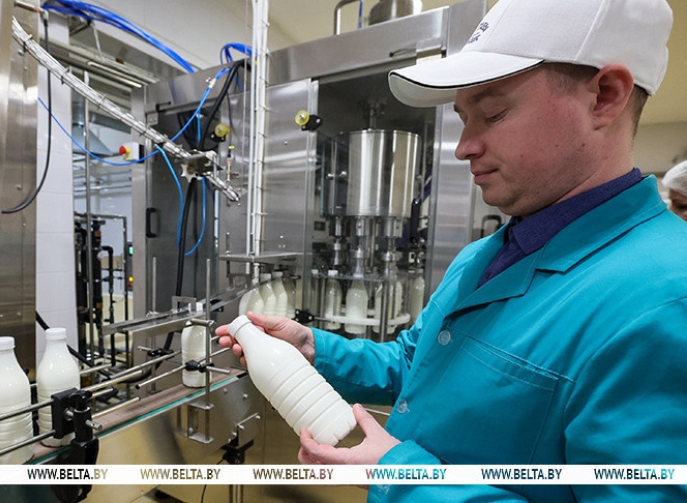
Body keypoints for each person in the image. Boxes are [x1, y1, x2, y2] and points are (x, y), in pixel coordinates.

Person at [216, 0, 687, 501]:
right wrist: (314, 349)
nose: (464, 147)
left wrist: (403, 476)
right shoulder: (483, 255)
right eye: (463, 118)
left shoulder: (665, 300)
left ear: (605, 96)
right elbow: (415, 363)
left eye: (493, 113)